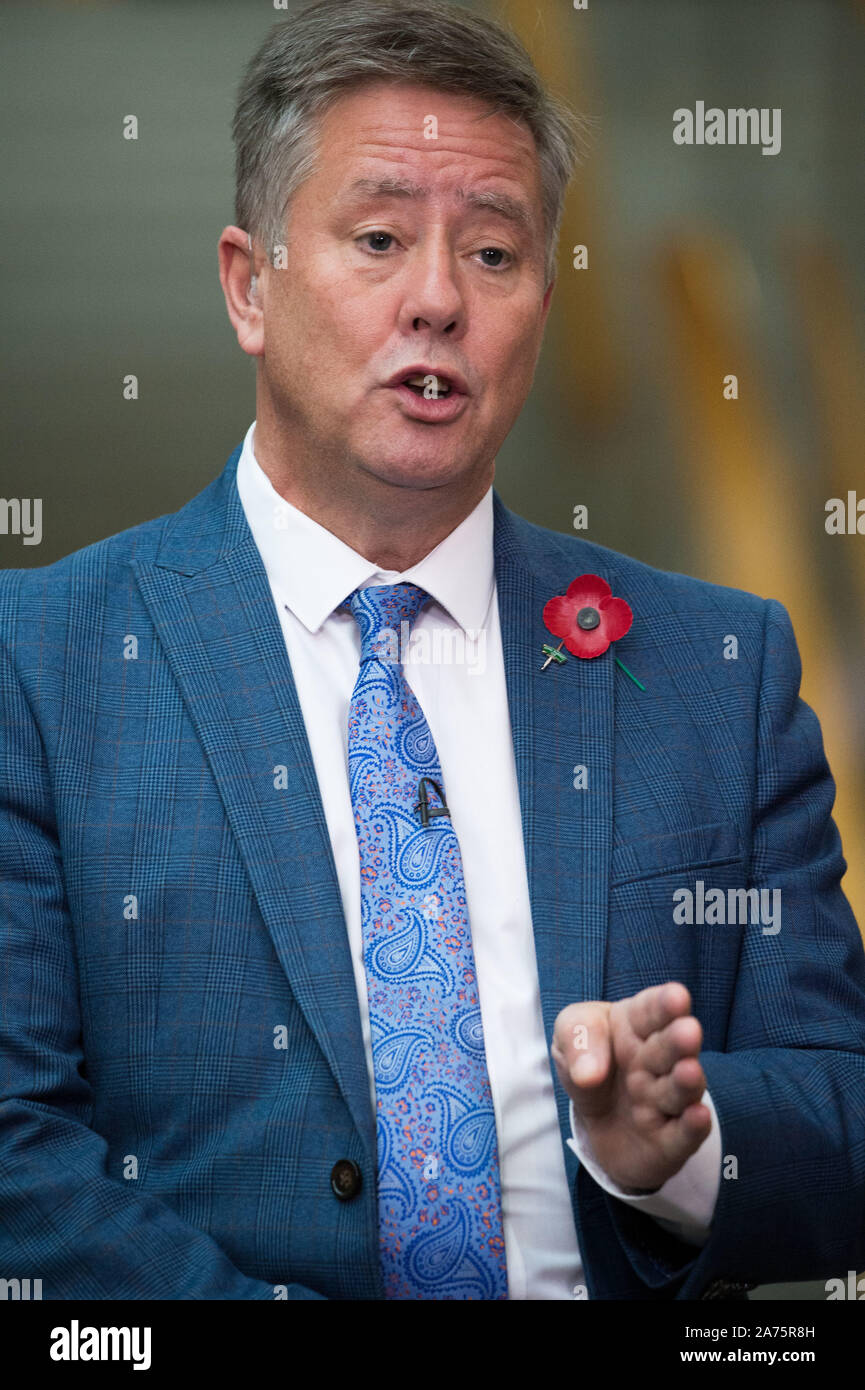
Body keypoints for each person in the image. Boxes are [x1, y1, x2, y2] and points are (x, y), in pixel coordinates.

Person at [1, 0, 863, 1302]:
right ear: (249, 284)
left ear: (542, 303)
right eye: (379, 238)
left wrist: (672, 1156)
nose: (439, 299)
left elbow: (839, 1107)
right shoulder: (45, 663)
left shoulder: (715, 668)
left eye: (495, 253)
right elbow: (16, 1148)